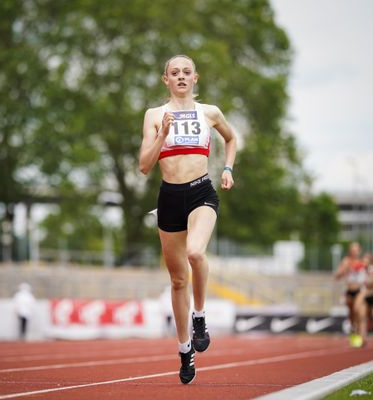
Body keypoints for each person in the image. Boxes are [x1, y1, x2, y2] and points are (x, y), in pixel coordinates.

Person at [139, 54, 236, 384]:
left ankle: (200, 316)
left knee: (196, 252)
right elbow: (143, 165)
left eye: (187, 72)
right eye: (174, 72)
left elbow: (232, 138)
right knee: (178, 280)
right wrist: (162, 136)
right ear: (165, 79)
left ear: (196, 78)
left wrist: (227, 168)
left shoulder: (209, 112)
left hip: (201, 192)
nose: (181, 76)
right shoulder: (155, 115)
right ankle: (184, 350)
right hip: (169, 198)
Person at [333, 242, 367, 347]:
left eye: (356, 249)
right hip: (349, 291)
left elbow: (371, 275)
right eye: (352, 249)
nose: (354, 251)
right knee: (352, 315)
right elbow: (336, 276)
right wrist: (344, 269)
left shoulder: (363, 261)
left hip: (360, 290)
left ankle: (362, 338)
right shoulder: (346, 261)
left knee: (359, 311)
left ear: (359, 250)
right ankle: (354, 332)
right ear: (349, 251)